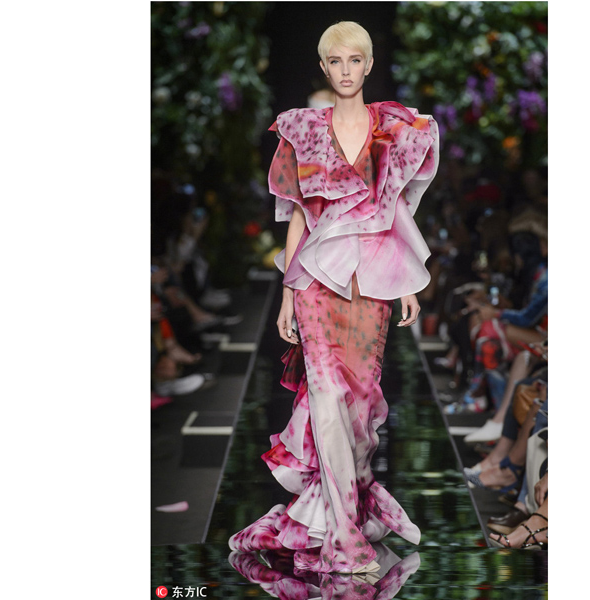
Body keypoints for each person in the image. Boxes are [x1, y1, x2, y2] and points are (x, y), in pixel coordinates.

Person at [228, 21, 440, 574]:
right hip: (316, 285)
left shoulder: (394, 131)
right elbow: (298, 215)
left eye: (354, 60)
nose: (345, 71)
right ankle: (344, 539)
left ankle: (343, 508)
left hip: (370, 286)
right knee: (325, 400)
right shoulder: (303, 131)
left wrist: (407, 282)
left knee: (359, 409)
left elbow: (393, 210)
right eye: (335, 62)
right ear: (324, 68)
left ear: (368, 65)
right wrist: (286, 293)